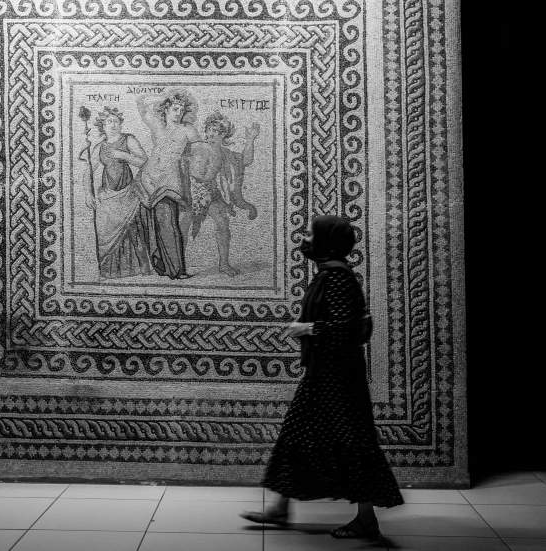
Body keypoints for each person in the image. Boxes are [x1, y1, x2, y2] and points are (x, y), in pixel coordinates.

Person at [240, 215, 404, 538]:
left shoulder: (338, 278)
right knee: (296, 437)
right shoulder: (330, 274)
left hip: (338, 378)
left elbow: (344, 330)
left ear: (326, 241)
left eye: (311, 233)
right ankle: (280, 508)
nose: (305, 237)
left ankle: (366, 519)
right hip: (324, 374)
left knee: (352, 444)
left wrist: (307, 328)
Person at [133, 91, 201, 279]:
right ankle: (158, 266)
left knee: (168, 224)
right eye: (174, 109)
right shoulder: (157, 124)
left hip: (170, 181)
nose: (178, 113)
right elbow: (141, 103)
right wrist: (163, 98)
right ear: (166, 109)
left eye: (181, 109)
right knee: (147, 224)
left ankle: (176, 269)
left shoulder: (188, 129)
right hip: (148, 178)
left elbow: (200, 153)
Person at [183, 112, 260, 276]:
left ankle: (224, 264)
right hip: (190, 192)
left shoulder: (226, 154)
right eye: (209, 130)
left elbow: (245, 160)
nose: (211, 134)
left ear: (224, 134)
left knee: (223, 225)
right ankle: (177, 265)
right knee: (183, 226)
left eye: (216, 131)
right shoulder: (197, 146)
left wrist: (251, 139)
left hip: (211, 193)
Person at [79, 106, 151, 278]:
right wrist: (89, 193)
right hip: (107, 197)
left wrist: (123, 155)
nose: (113, 125)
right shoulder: (99, 148)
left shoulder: (128, 140)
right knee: (104, 234)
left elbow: (144, 162)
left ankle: (139, 269)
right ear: (102, 126)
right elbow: (89, 171)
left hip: (128, 195)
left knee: (133, 230)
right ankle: (110, 271)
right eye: (109, 122)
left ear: (120, 124)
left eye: (115, 121)